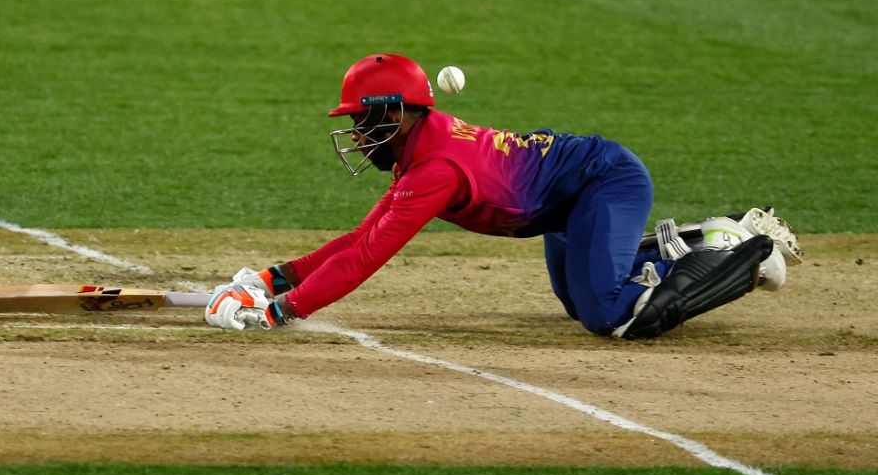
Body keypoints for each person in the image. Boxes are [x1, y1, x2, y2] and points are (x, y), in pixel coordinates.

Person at [206, 53, 800, 338]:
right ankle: (685, 244)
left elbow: (367, 258)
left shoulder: (433, 170)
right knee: (580, 303)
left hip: (604, 182)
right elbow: (361, 238)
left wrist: (283, 311)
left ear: (397, 113)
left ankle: (740, 252)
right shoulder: (419, 153)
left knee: (613, 315)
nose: (358, 135)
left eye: (364, 120)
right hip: (570, 202)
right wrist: (271, 276)